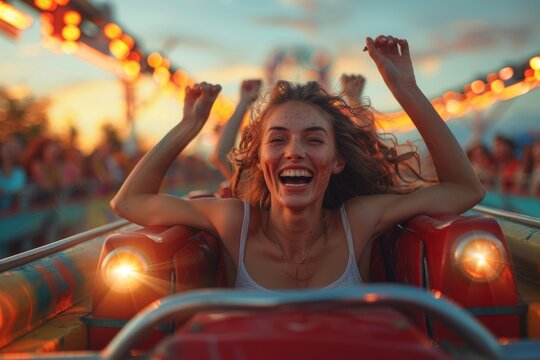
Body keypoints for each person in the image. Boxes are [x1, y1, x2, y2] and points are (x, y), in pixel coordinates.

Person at [111, 35, 484, 290]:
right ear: (261, 159)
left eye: (314, 139)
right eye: (277, 139)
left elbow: (464, 190)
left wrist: (406, 89)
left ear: (337, 162)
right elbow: (128, 203)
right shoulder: (233, 221)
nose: (294, 151)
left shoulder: (358, 220)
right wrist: (188, 126)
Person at [211, 79, 262, 180]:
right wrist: (244, 102)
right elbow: (223, 156)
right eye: (278, 140)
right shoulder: (261, 187)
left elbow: (222, 156)